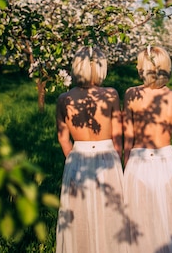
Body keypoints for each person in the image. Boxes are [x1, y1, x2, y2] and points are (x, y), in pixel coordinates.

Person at [55, 45, 128, 253]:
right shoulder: (111, 95)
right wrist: (118, 159)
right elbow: (117, 135)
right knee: (109, 211)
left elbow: (63, 139)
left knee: (79, 212)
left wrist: (74, 160)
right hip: (107, 157)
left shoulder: (64, 99)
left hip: (77, 157)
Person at [123, 45, 172, 253]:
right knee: (169, 218)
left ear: (142, 69)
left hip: (139, 160)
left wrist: (127, 165)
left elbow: (128, 137)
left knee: (139, 219)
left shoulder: (131, 95)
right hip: (167, 160)